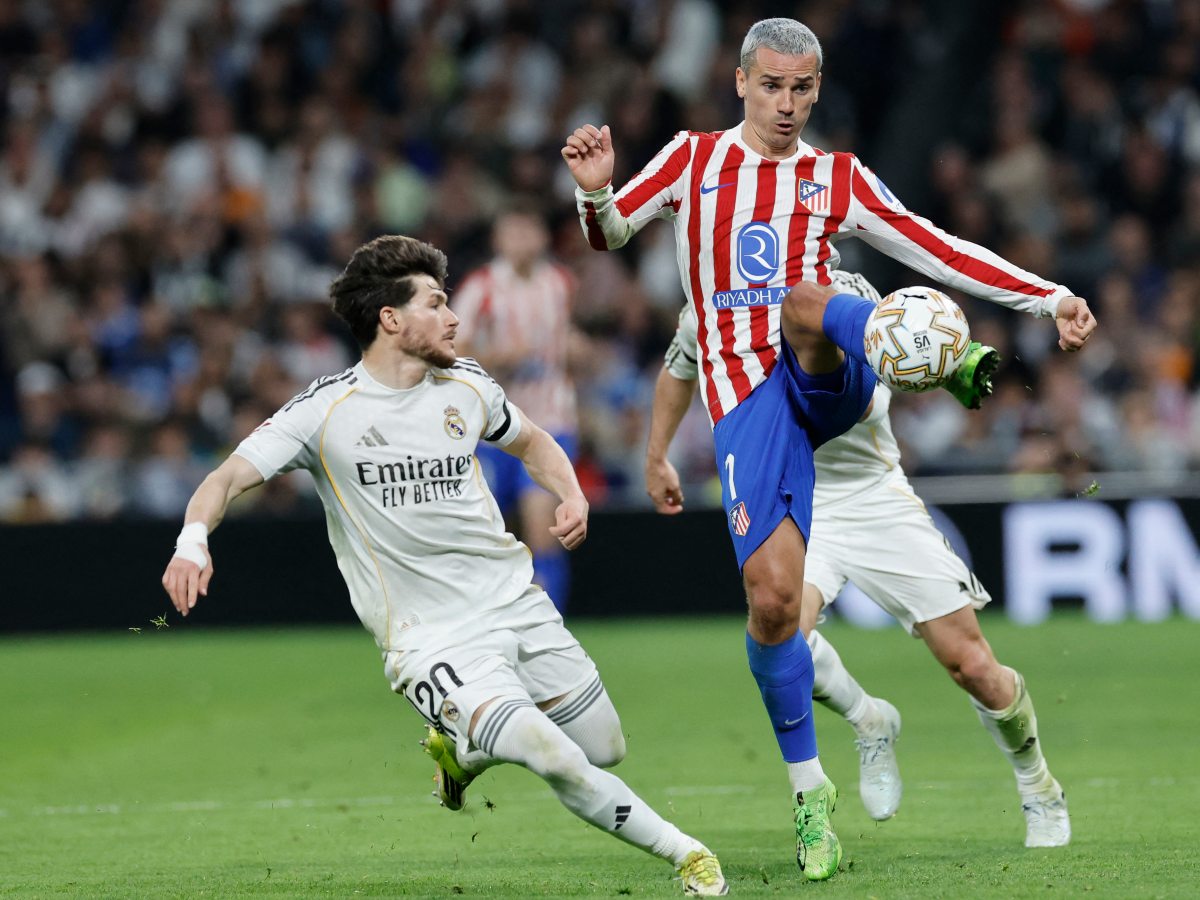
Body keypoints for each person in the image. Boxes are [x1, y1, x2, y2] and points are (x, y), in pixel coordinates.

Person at [561, 16, 1096, 880]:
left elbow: (931, 242)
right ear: (739, 82)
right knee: (773, 618)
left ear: (818, 87)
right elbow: (615, 236)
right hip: (754, 415)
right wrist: (594, 191)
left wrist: (1047, 298)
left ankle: (1038, 781)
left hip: (847, 437)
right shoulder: (692, 162)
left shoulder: (833, 180)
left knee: (971, 665)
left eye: (802, 88)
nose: (786, 104)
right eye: (770, 85)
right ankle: (841, 753)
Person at [159, 235, 728, 897]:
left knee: (605, 749)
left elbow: (534, 440)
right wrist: (192, 540)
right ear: (391, 320)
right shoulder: (325, 411)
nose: (455, 317)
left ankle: (462, 751)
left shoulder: (468, 386)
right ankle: (689, 855)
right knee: (555, 756)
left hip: (514, 598)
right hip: (430, 637)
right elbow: (224, 479)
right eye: (435, 303)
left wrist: (569, 492)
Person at [648, 269, 1070, 848]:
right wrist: (655, 455)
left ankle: (1039, 785)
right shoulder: (716, 304)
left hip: (873, 495)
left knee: (971, 665)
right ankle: (870, 719)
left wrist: (952, 365)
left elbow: (911, 344)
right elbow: (678, 367)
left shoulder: (849, 293)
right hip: (797, 496)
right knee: (780, 633)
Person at [452, 207, 579, 611]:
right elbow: (453, 348)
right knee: (493, 533)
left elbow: (562, 338)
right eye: (514, 232)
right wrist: (501, 356)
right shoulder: (481, 287)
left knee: (544, 530)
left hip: (550, 421)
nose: (523, 240)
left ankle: (550, 624)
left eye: (530, 229)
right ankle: (490, 619)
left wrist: (580, 351)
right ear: (498, 240)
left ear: (543, 237)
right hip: (493, 427)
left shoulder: (559, 282)